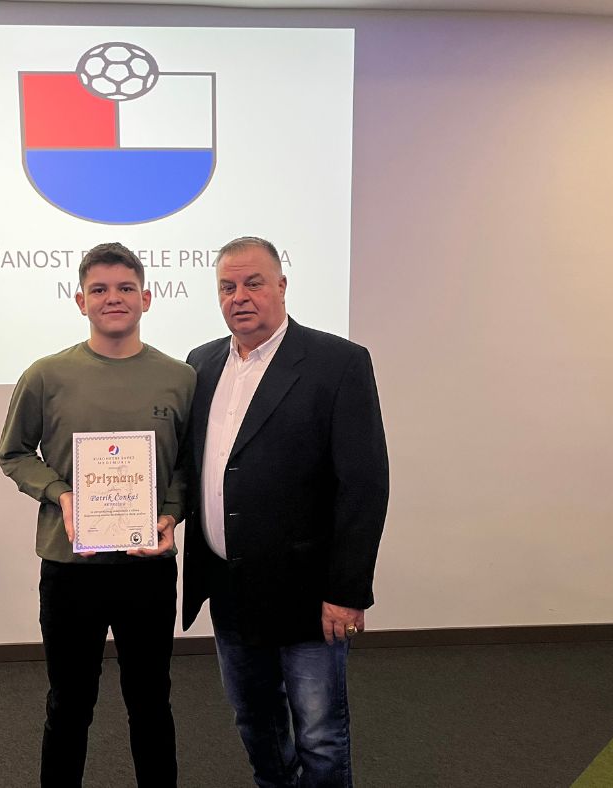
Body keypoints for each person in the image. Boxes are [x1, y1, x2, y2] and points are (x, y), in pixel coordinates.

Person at [182, 236, 389, 788]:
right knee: (256, 722)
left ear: (281, 285)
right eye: (227, 286)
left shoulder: (338, 363)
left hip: (307, 592)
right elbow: (196, 466)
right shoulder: (201, 364)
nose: (240, 297)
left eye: (253, 283)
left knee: (320, 735)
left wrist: (347, 591)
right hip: (229, 587)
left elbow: (364, 486)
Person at [0, 242, 195, 787]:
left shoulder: (180, 378)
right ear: (80, 301)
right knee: (69, 703)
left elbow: (188, 465)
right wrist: (61, 493)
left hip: (147, 565)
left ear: (147, 298)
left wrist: (170, 515)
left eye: (126, 288)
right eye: (100, 289)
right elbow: (13, 453)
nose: (114, 298)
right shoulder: (46, 375)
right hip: (70, 568)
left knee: (151, 702)